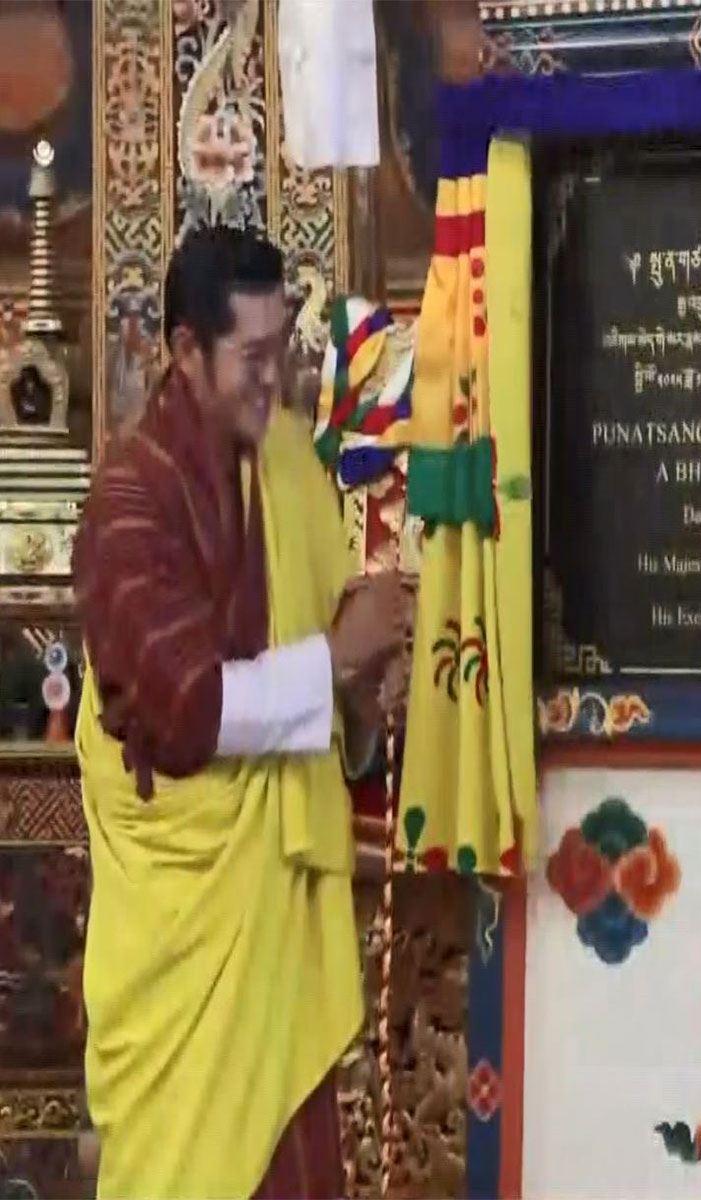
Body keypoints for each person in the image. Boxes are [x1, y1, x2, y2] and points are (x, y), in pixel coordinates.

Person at [73, 226, 411, 1197]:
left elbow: (320, 668)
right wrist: (332, 659)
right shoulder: (127, 501)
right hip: (185, 933)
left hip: (275, 927)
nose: (275, 383)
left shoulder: (294, 468)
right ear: (185, 351)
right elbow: (182, 706)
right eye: (253, 361)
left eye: (285, 353)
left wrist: (359, 683)